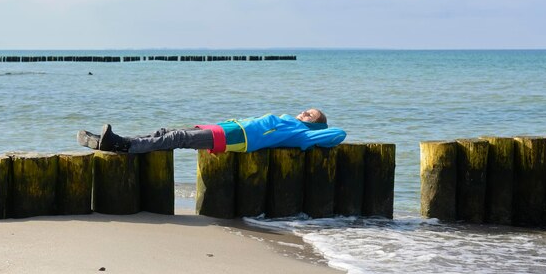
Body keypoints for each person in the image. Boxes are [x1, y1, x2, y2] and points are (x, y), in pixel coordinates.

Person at [77, 108, 346, 154]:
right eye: (305, 111)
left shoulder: (303, 133)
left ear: (315, 123)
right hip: (231, 127)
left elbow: (338, 134)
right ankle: (112, 141)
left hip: (238, 138)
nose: (303, 113)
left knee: (177, 139)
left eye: (309, 114)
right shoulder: (292, 122)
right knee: (166, 131)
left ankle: (122, 146)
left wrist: (316, 127)